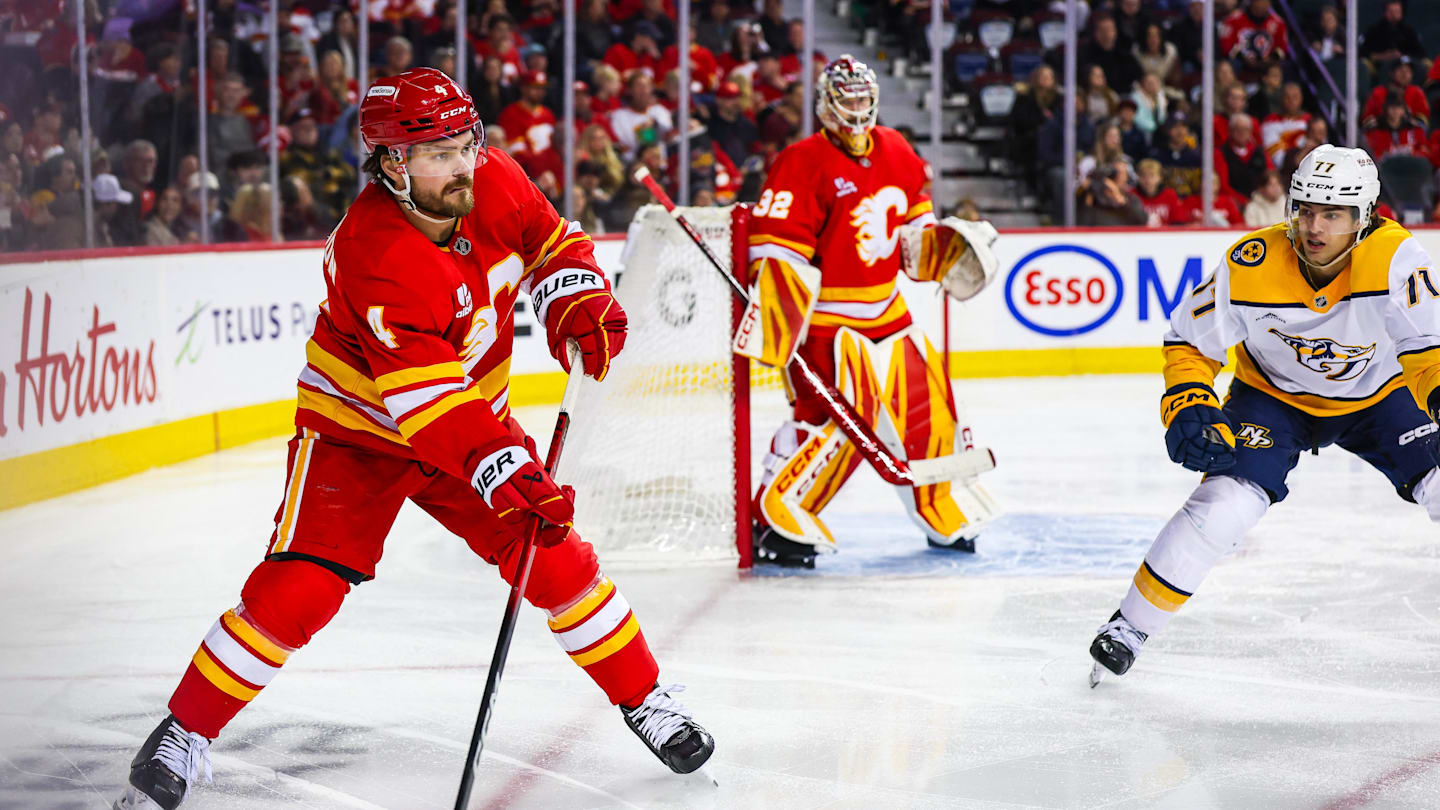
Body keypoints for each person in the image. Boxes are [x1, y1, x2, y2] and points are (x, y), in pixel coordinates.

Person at [113, 67, 714, 810]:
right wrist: (503, 468)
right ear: (393, 165)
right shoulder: (378, 252)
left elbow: (552, 241)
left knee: (554, 560)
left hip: (468, 419)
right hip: (360, 437)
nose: (464, 163)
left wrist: (576, 297)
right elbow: (427, 406)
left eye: (467, 142)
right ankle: (185, 730)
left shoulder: (493, 175)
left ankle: (647, 698)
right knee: (300, 589)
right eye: (440, 152)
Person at [1089, 145, 1440, 687]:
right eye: (1304, 209)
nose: (1314, 226)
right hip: (1273, 398)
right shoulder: (1250, 262)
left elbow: (1428, 345)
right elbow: (1189, 341)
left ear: (1364, 216)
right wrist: (1188, 402)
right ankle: (1130, 627)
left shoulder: (1396, 259)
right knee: (1223, 504)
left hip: (1380, 395)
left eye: (1333, 214)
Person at [743, 56, 1001, 568]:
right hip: (826, 323)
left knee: (930, 408)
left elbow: (913, 222)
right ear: (826, 102)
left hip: (889, 311)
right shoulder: (801, 160)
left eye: (863, 98)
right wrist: (778, 327)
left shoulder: (897, 149)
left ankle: (939, 504)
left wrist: (936, 247)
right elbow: (776, 251)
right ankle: (780, 517)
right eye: (847, 98)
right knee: (836, 423)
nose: (857, 108)